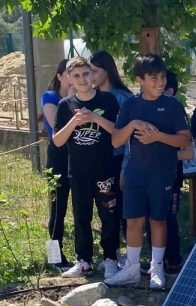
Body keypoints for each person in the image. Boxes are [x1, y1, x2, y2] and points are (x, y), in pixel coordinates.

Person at [105, 54, 191, 289]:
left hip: (163, 173)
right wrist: (132, 125)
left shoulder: (173, 105)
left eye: (162, 76)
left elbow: (185, 139)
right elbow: (115, 141)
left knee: (158, 220)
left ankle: (156, 269)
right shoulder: (130, 105)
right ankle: (132, 269)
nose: (160, 82)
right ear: (139, 80)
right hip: (135, 173)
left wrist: (158, 136)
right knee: (133, 221)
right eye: (153, 77)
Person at [52, 57, 121, 278]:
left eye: (86, 74)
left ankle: (110, 258)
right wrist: (73, 122)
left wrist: (93, 118)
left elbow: (119, 132)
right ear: (69, 80)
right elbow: (58, 141)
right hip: (78, 172)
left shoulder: (108, 100)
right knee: (81, 217)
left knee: (109, 215)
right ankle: (83, 260)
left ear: (93, 76)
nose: (82, 79)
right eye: (77, 76)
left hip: (105, 170)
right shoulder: (65, 105)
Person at [139, 71, 193, 275]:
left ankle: (173, 261)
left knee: (167, 218)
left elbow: (188, 151)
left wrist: (163, 151)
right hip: (148, 175)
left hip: (171, 176)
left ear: (169, 89)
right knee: (149, 218)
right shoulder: (141, 108)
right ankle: (155, 261)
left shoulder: (175, 110)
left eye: (161, 83)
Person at [90, 51, 135, 237]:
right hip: (98, 161)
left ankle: (130, 254)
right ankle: (111, 253)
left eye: (94, 71)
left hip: (119, 161)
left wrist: (125, 168)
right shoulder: (90, 97)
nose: (90, 76)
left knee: (122, 208)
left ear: (107, 71)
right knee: (105, 210)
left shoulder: (125, 98)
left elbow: (130, 139)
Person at [41, 58, 72, 271]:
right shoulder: (50, 96)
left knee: (81, 209)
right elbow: (55, 130)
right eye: (69, 73)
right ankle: (53, 257)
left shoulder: (85, 97)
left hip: (80, 158)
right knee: (57, 208)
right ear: (59, 76)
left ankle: (83, 255)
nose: (74, 78)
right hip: (58, 157)